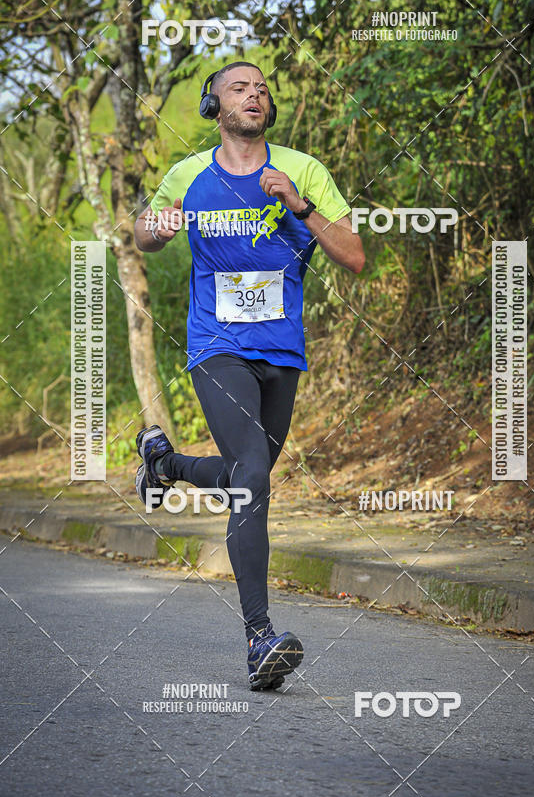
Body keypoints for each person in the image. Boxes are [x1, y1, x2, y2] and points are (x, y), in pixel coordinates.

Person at [133, 61, 364, 691]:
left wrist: (298, 203)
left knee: (245, 475)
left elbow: (353, 255)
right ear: (214, 105)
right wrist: (157, 227)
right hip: (216, 345)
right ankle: (260, 636)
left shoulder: (304, 169)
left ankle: (167, 466)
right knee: (254, 475)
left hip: (282, 350)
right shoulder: (188, 174)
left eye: (262, 87)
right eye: (239, 87)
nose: (254, 94)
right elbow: (144, 234)